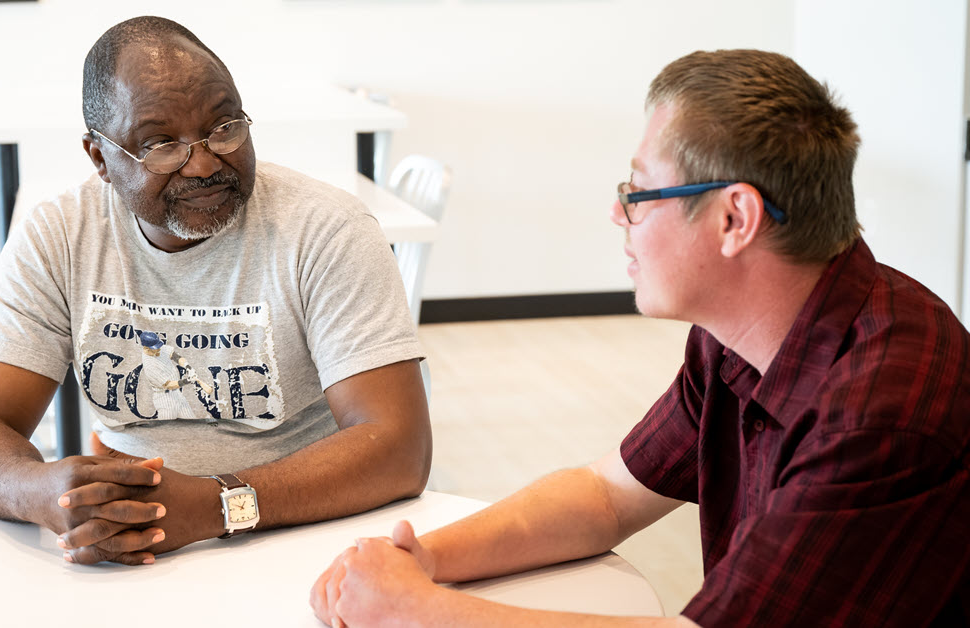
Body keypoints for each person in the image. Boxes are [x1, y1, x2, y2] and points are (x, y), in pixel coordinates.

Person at [311, 49, 970, 627]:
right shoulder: (738, 337)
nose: (617, 212)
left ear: (733, 217)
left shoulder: (878, 416)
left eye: (640, 190)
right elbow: (605, 496)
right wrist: (423, 559)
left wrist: (417, 612)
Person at [0, 16, 431, 567]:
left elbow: (398, 448)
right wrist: (46, 494)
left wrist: (216, 505)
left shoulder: (324, 229)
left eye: (225, 128)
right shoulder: (60, 236)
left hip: (304, 533)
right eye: (160, 144)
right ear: (101, 159)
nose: (203, 163)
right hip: (138, 546)